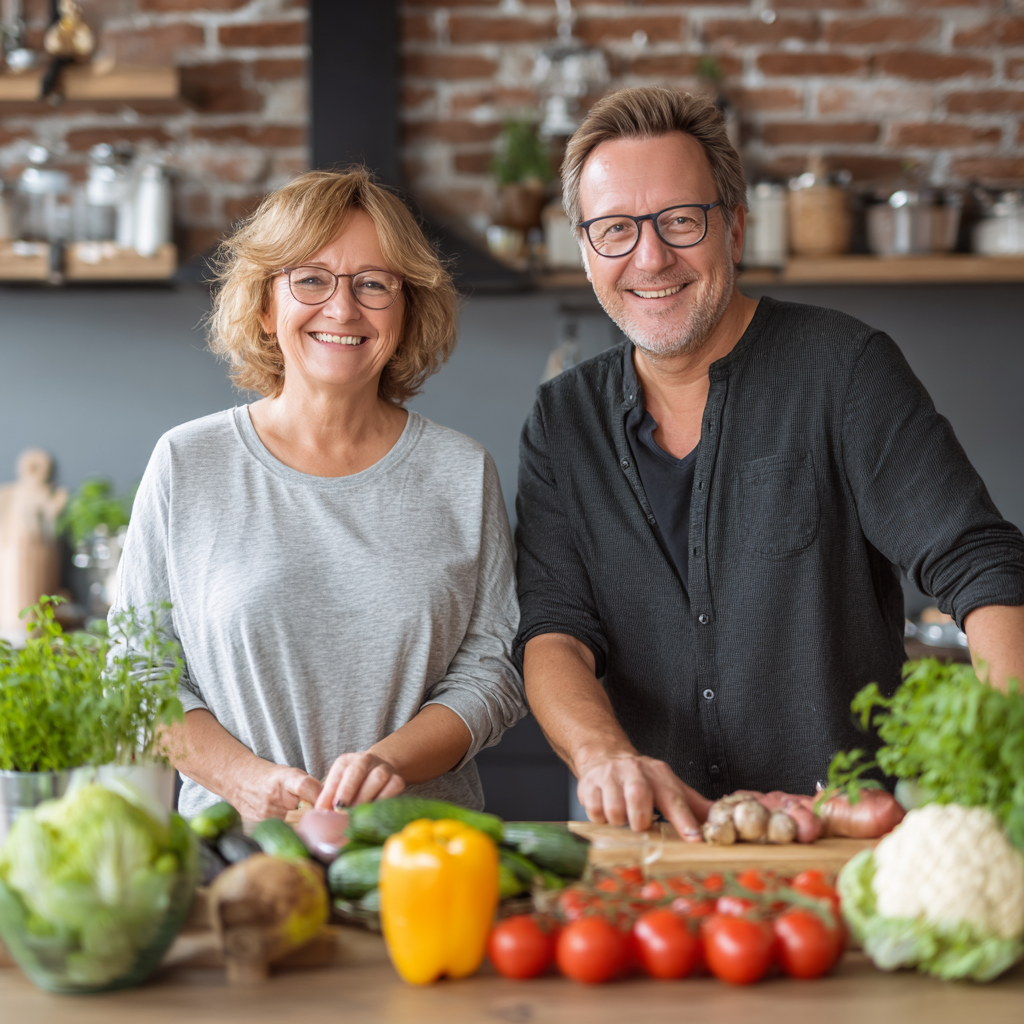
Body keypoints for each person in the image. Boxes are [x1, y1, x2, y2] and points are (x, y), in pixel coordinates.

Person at [514, 87, 1024, 841]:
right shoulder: (563, 422)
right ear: (586, 249)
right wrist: (602, 757)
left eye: (681, 221)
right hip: (656, 842)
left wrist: (1001, 768)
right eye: (616, 229)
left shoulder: (845, 370)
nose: (650, 257)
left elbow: (980, 565)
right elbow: (554, 631)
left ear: (736, 228)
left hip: (843, 836)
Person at [113, 169, 525, 820]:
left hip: (421, 861)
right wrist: (244, 780)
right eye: (310, 279)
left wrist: (390, 763)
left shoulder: (462, 472)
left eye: (373, 284)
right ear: (266, 305)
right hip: (238, 860)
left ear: (407, 307)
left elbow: (492, 672)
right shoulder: (188, 463)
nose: (342, 308)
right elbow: (138, 672)